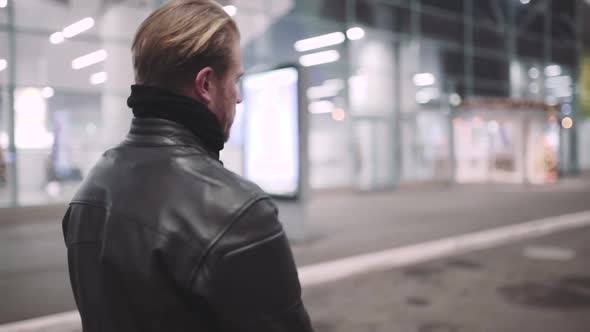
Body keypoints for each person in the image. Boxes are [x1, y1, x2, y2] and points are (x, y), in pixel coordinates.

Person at [61, 1, 314, 331]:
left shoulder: (90, 193)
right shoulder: (238, 212)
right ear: (206, 84)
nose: (238, 97)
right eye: (235, 80)